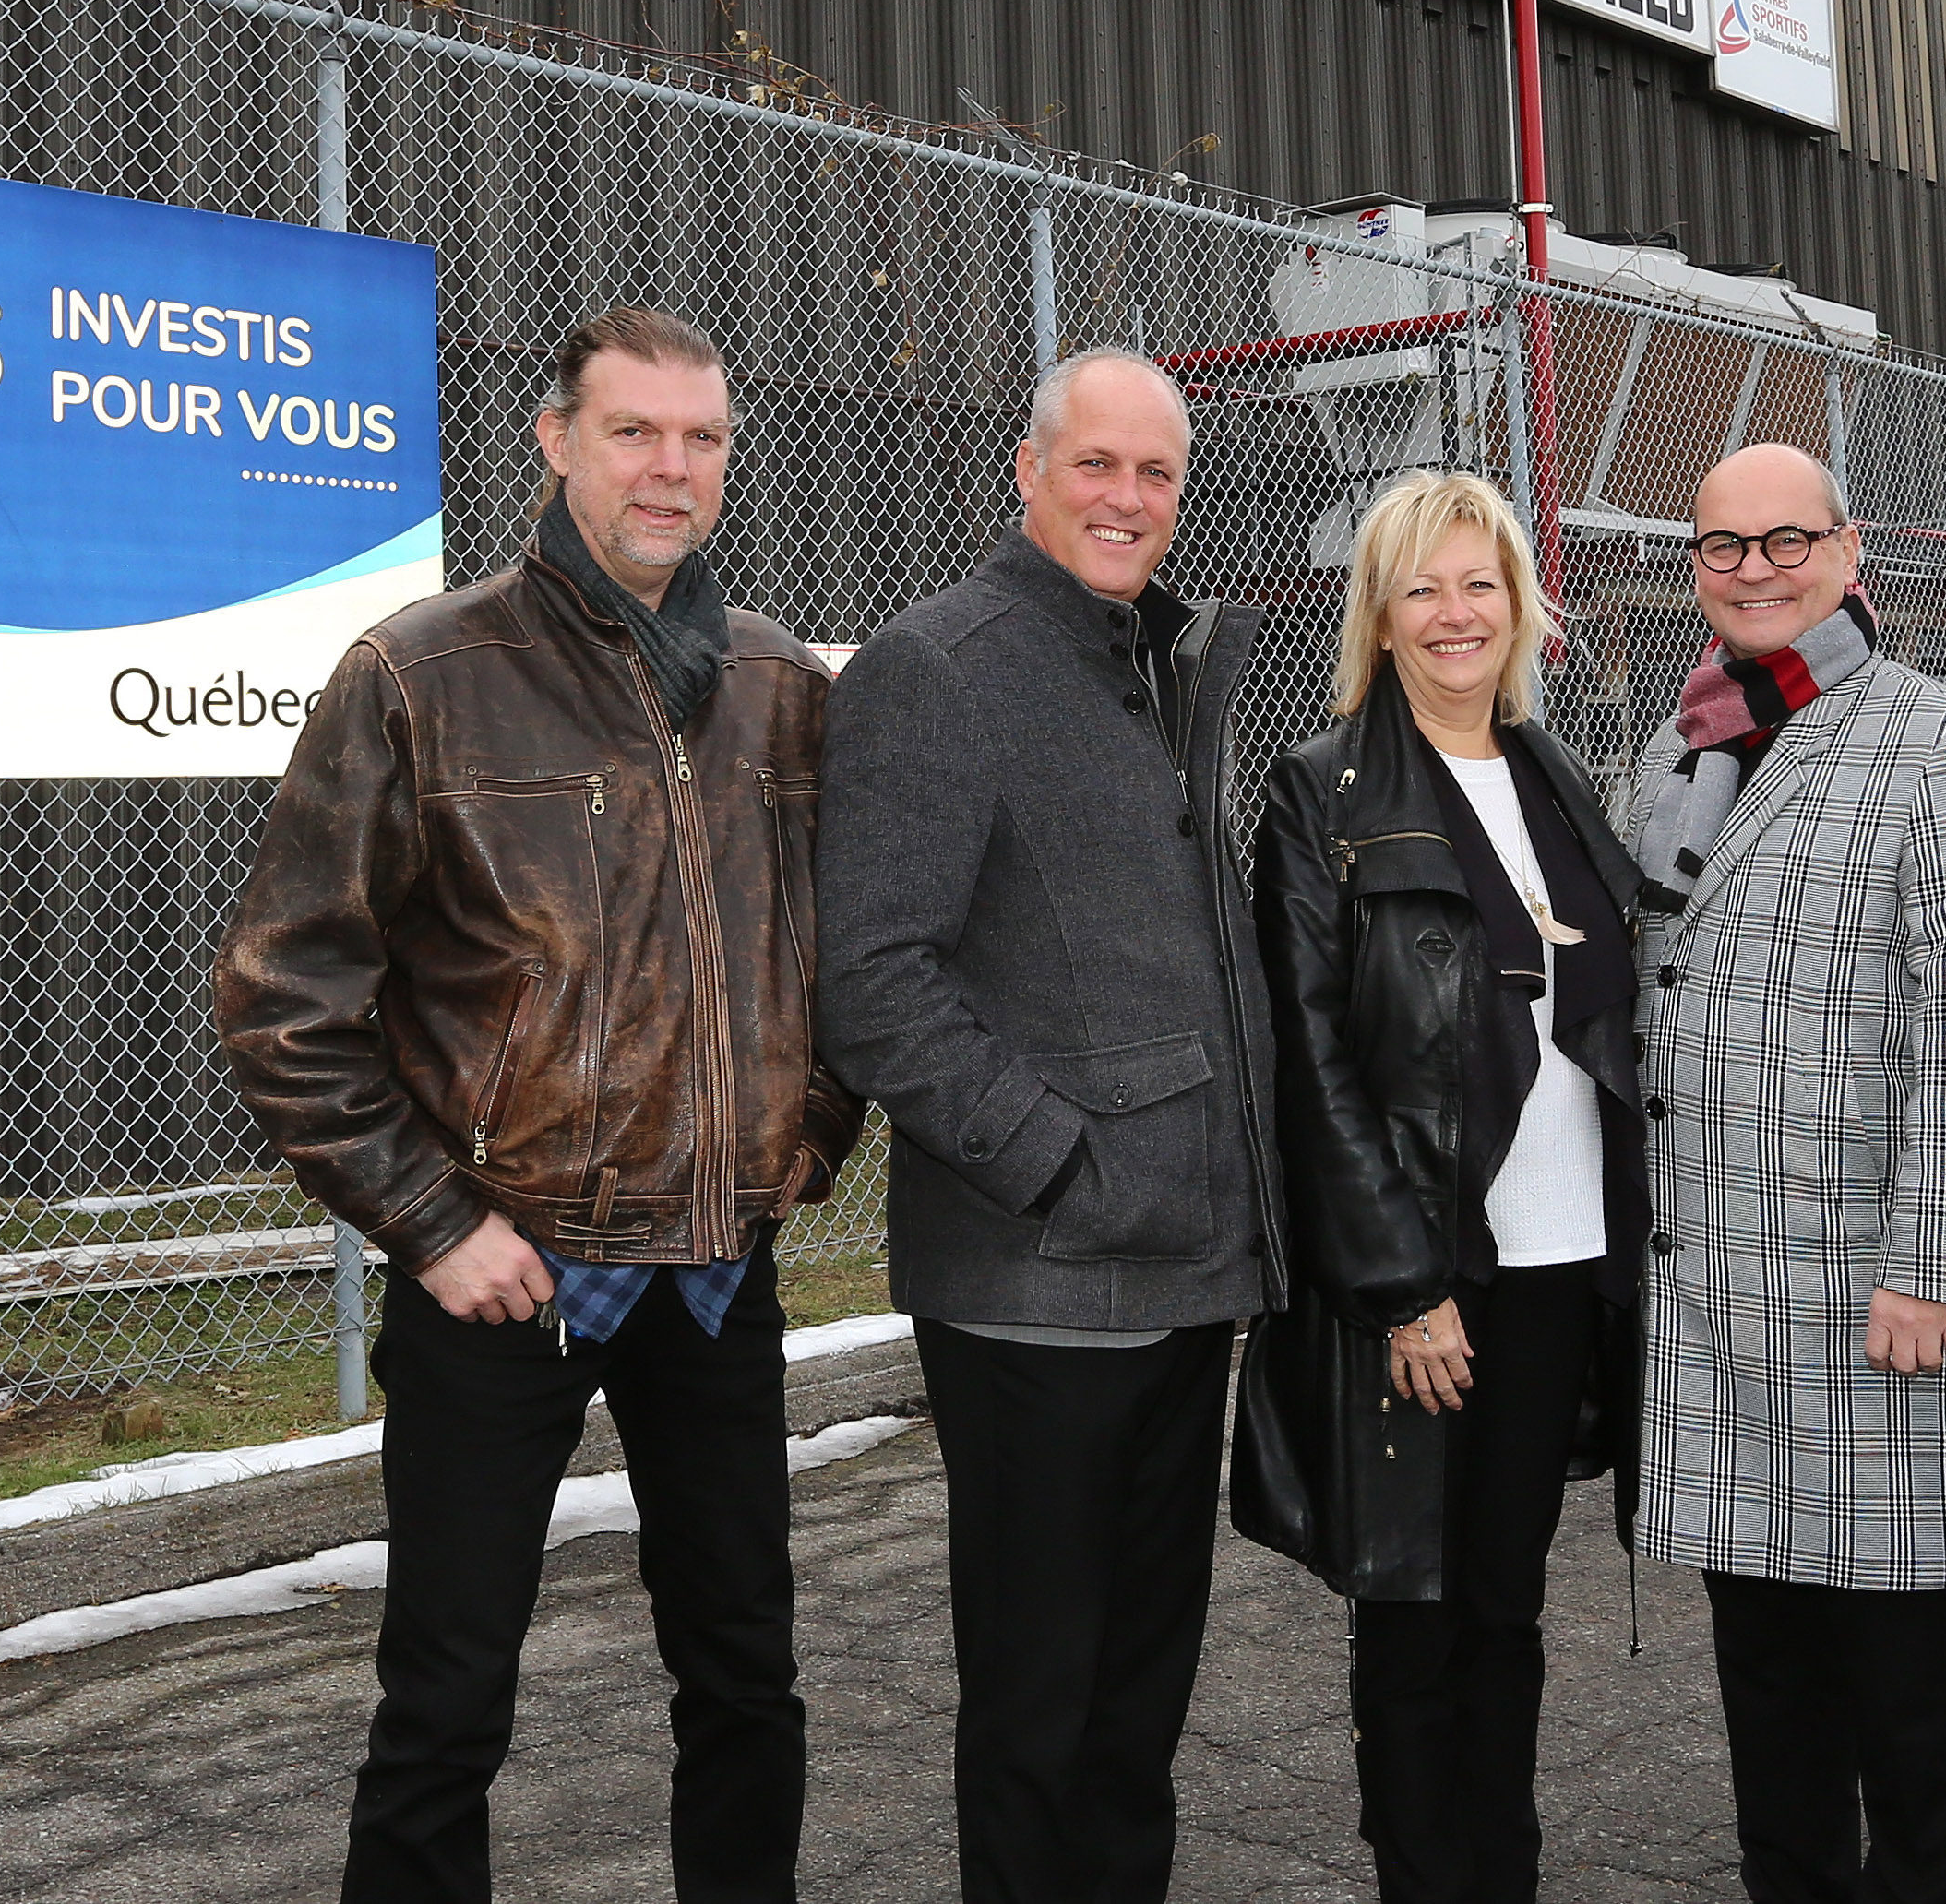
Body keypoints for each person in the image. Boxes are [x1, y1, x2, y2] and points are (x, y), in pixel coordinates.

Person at [217, 308, 855, 1904]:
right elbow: (282, 998)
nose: (669, 468)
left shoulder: (781, 685)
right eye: (634, 431)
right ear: (555, 438)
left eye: (700, 439)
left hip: (714, 1272)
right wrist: (434, 1228)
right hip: (509, 1277)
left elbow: (850, 956)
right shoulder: (418, 675)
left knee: (746, 1680)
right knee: (444, 1704)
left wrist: (805, 1136)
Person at [812, 347, 1282, 1904]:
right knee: (1037, 1705)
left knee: (1139, 1707)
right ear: (1027, 472)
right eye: (1096, 464)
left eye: (1155, 473)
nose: (1126, 497)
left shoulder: (1165, 660)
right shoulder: (938, 665)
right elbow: (873, 976)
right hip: (1035, 1288)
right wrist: (1058, 1164)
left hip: (1181, 1271)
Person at [1232, 469, 1650, 1904]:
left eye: (1480, 582)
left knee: (1507, 1604)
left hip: (1558, 1261)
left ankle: (1503, 1874)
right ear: (1382, 617)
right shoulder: (1323, 793)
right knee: (1412, 1615)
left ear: (1520, 603)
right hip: (1426, 1279)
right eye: (1423, 586)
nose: (1456, 611)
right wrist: (1402, 1286)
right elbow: (1312, 1063)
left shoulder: (1557, 776)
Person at [1625, 442, 1946, 1904]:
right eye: (1721, 546)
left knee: (1909, 1704)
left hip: (1871, 1299)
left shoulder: (1931, 737)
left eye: (1784, 540)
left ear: (1846, 550)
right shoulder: (1679, 743)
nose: (1753, 569)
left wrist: (1933, 1259)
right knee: (1771, 1694)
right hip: (1720, 1290)